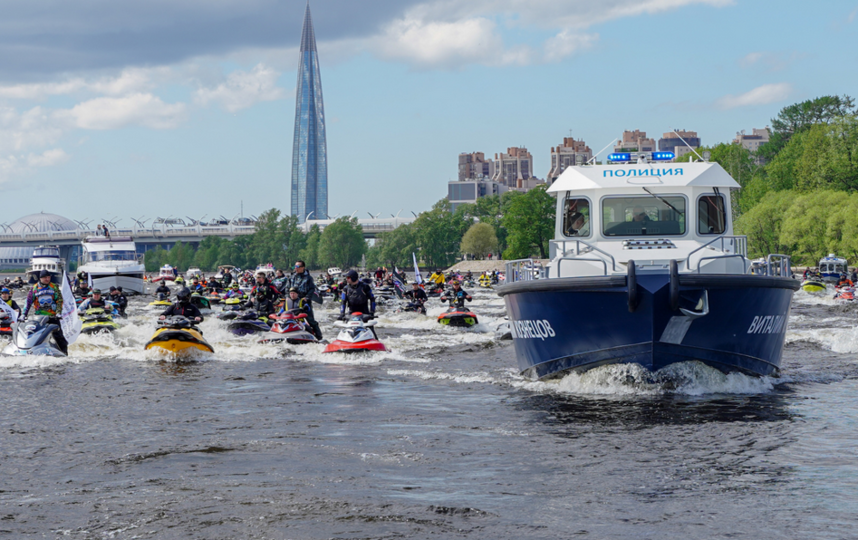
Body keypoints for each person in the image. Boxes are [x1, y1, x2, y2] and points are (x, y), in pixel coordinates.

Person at [23, 269, 68, 354]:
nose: (47, 279)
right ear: (40, 278)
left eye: (48, 277)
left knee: (60, 338)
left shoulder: (54, 287)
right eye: (44, 277)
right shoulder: (34, 288)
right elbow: (28, 302)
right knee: (34, 336)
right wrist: (23, 314)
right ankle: (29, 352)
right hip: (39, 318)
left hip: (53, 317)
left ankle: (64, 354)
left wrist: (58, 312)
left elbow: (60, 300)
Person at [287, 260, 322, 339]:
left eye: (298, 267)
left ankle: (319, 337)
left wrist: (307, 297)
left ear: (303, 268)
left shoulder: (308, 278)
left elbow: (312, 289)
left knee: (311, 320)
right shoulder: (292, 277)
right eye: (295, 266)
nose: (296, 268)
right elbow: (287, 288)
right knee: (289, 318)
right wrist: (287, 297)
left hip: (304, 301)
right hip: (293, 301)